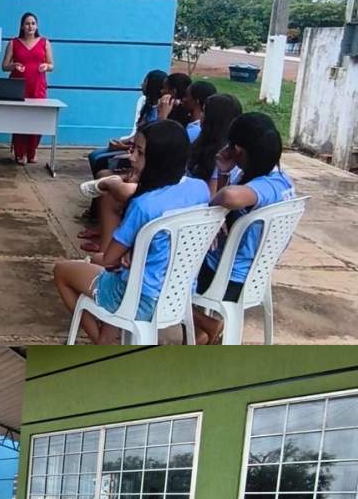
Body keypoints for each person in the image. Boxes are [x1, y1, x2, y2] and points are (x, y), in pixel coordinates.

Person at [54, 120, 211, 343]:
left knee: (62, 271)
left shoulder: (144, 204)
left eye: (140, 152)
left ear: (159, 159)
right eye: (132, 149)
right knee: (98, 264)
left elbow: (109, 259)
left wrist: (127, 253)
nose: (132, 157)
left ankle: (101, 340)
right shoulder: (199, 188)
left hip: (139, 296)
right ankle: (111, 335)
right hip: (178, 292)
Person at [193, 112, 295, 345]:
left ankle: (205, 325)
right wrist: (224, 171)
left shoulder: (263, 187)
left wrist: (210, 201)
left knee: (159, 271)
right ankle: (200, 330)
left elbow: (227, 197)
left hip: (228, 279)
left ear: (237, 150)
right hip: (255, 274)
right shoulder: (282, 181)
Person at [84, 69, 167, 179]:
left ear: (152, 85)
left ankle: (105, 189)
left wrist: (124, 147)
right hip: (133, 147)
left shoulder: (160, 112)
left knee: (101, 160)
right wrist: (121, 142)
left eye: (145, 82)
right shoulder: (147, 106)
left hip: (138, 154)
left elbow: (148, 143)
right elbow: (137, 135)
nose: (141, 84)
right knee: (94, 155)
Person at [2, 12, 54, 164]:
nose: (30, 26)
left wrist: (46, 66)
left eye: (33, 23)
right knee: (20, 119)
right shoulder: (14, 43)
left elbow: (52, 65)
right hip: (18, 86)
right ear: (22, 26)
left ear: (37, 26)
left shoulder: (44, 42)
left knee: (37, 119)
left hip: (38, 86)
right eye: (27, 23)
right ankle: (20, 153)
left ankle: (32, 151)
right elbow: (4, 66)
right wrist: (14, 65)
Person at [187, 93, 243, 196]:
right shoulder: (204, 140)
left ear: (213, 120)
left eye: (204, 111)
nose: (200, 115)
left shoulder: (222, 155)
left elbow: (211, 197)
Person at [182, 80, 217, 144]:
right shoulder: (210, 126)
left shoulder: (193, 132)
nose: (183, 99)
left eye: (186, 96)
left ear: (196, 101)